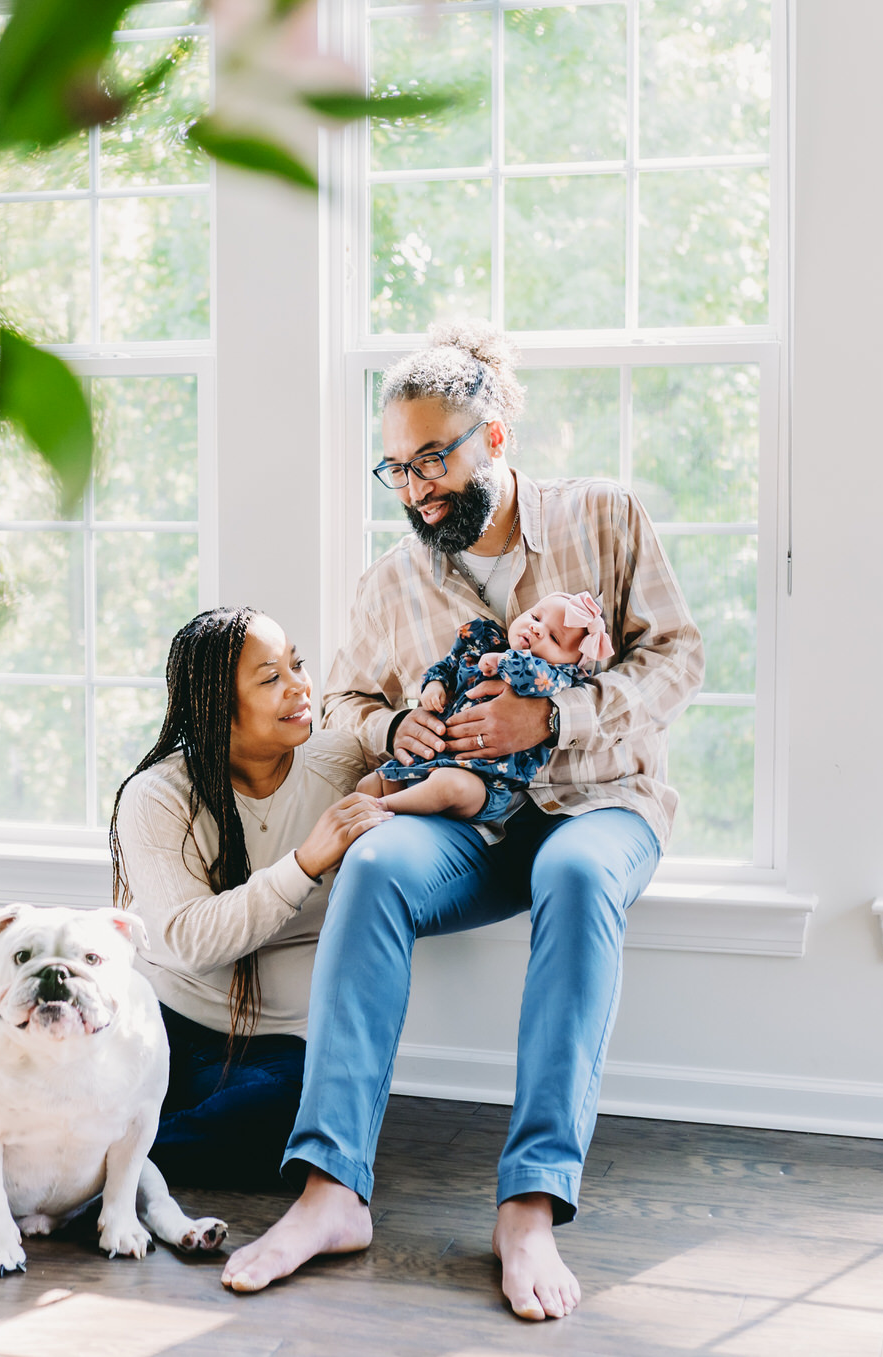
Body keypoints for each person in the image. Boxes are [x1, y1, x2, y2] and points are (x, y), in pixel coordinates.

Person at [220, 320, 705, 1320]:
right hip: (472, 823)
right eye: (395, 468)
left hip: (603, 801)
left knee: (573, 875)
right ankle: (330, 1189)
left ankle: (529, 1203)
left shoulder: (605, 517)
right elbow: (351, 705)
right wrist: (400, 723)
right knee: (376, 863)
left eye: (433, 457)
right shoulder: (389, 581)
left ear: (492, 438)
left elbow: (678, 660)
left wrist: (556, 713)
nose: (416, 486)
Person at [0, 607, 393, 1189]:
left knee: (285, 1130)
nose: (300, 685)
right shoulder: (158, 796)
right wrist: (306, 861)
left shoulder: (341, 764)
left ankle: (82, 1156)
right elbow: (188, 940)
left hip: (283, 1047)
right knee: (23, 1116)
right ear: (215, 705)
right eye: (270, 677)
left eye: (297, 664)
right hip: (165, 1023)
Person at [362, 592, 615, 830]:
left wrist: (502, 661)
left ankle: (384, 808)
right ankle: (370, 817)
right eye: (536, 617)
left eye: (554, 638)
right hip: (430, 758)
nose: (537, 628)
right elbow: (448, 664)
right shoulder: (484, 642)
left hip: (484, 780)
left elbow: (535, 677)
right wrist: (434, 685)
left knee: (448, 785)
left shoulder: (557, 675)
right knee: (371, 782)